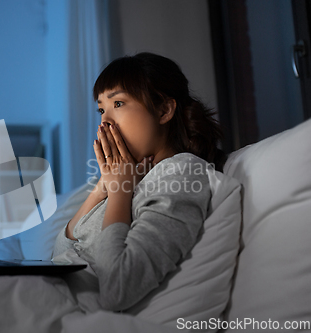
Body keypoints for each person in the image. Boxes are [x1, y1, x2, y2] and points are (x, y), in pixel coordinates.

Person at [52, 52, 226, 312]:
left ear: (164, 109)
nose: (105, 121)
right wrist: (103, 188)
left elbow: (118, 288)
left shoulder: (181, 173)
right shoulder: (133, 176)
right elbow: (59, 253)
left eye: (118, 104)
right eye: (101, 109)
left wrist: (120, 193)